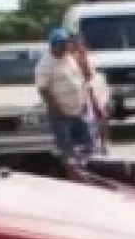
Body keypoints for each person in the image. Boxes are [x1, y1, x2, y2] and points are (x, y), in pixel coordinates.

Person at [35, 28, 95, 158]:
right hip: (62, 114)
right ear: (54, 45)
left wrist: (82, 58)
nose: (65, 48)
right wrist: (55, 108)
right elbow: (43, 89)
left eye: (66, 44)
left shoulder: (70, 58)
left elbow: (87, 76)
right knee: (67, 149)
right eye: (62, 45)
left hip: (79, 111)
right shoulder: (45, 64)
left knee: (88, 145)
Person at [70, 33, 111, 155]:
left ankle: (103, 144)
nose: (78, 48)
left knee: (102, 115)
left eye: (80, 44)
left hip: (92, 95)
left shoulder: (89, 60)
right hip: (77, 101)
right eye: (74, 45)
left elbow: (89, 75)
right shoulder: (67, 61)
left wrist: (83, 59)